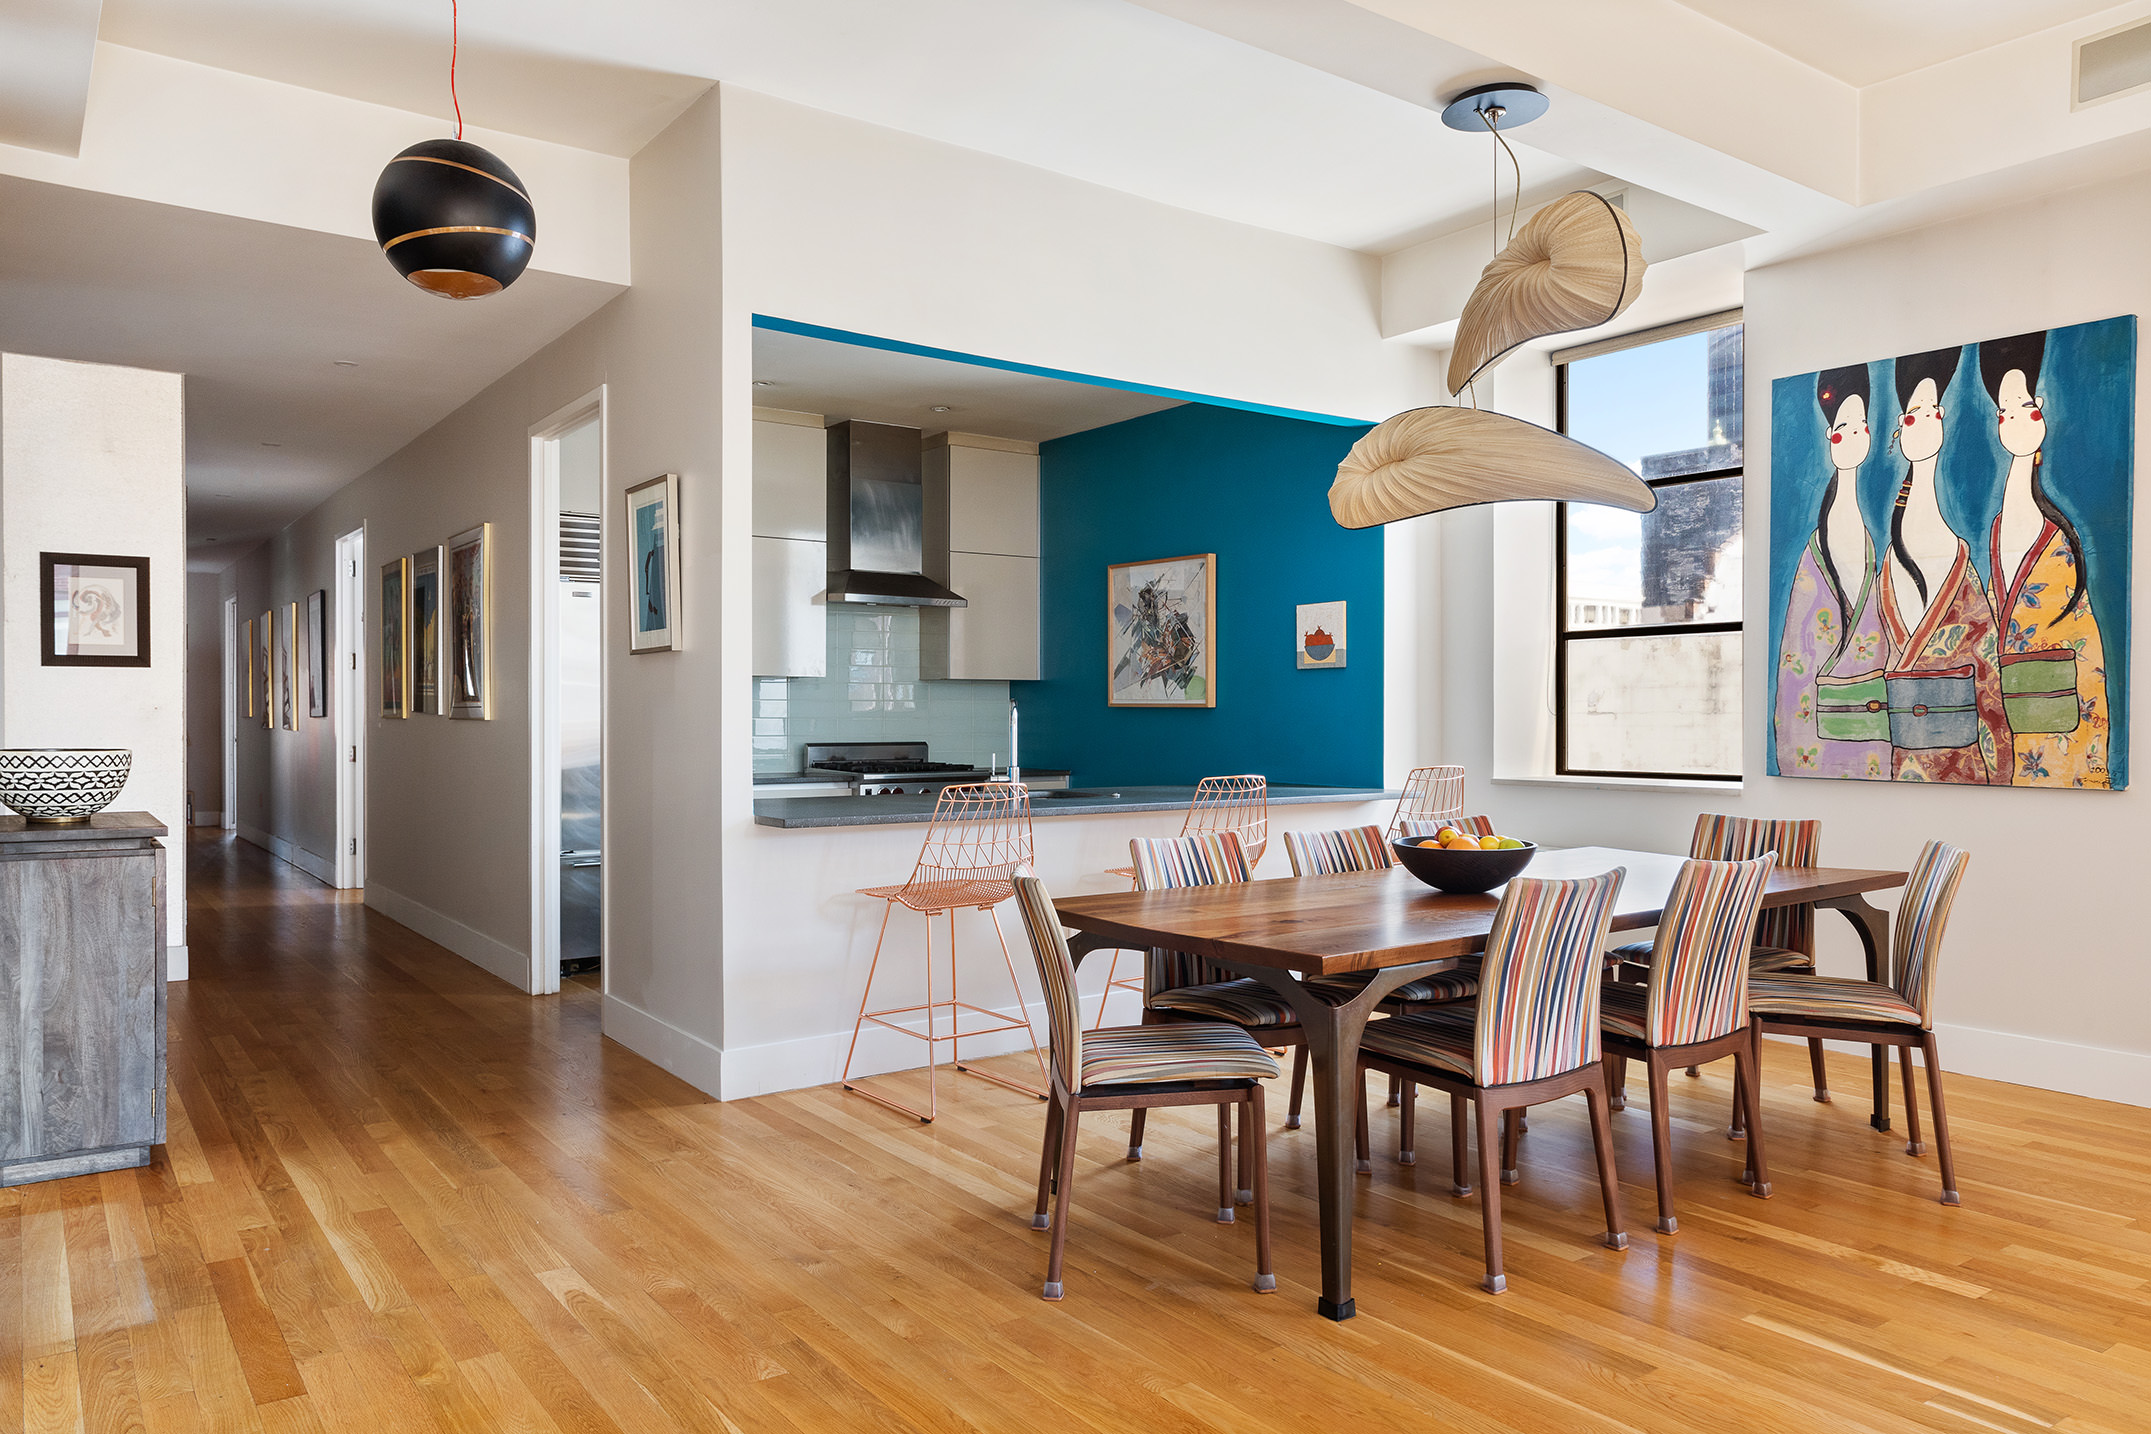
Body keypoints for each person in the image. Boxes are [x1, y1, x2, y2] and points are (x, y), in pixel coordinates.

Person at [1980, 330, 2112, 787]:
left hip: (2063, 706)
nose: (2015, 420)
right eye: (2004, 412)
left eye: (2024, 407)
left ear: (2041, 408)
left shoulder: (2060, 534)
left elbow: (2081, 634)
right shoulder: (1998, 527)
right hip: (2017, 709)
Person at [1874, 345, 2009, 783]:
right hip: (1895, 766)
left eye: (1934, 411)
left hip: (1963, 764)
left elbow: (1987, 671)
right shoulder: (1886, 566)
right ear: (1899, 426)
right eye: (1917, 412)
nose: (1929, 420)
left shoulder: (1957, 554)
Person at [1773, 364, 1892, 778]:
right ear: (1830, 434)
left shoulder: (1868, 540)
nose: (1857, 433)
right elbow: (1798, 658)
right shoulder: (1818, 551)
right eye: (1846, 424)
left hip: (1875, 733)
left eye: (1862, 424)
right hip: (1823, 731)